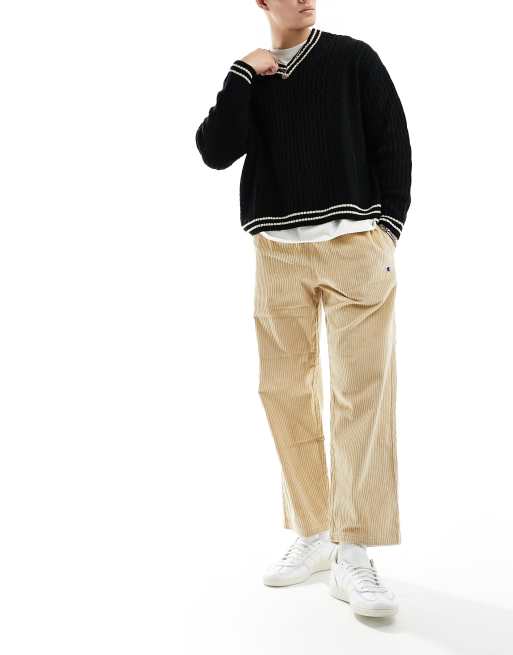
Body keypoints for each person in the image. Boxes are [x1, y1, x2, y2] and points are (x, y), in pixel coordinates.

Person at [195, 0, 412, 620]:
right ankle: (315, 531)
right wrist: (242, 73)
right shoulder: (253, 75)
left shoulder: (353, 59)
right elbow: (215, 150)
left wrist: (387, 232)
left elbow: (393, 143)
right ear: (262, 2)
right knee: (283, 392)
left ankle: (354, 549)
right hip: (277, 256)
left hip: (354, 248)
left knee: (360, 397)